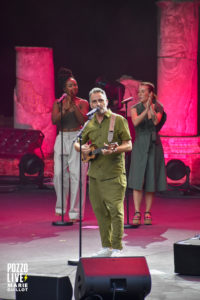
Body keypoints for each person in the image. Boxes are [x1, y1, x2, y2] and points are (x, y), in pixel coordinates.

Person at [74, 87, 132, 257]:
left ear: (106, 102)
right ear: (90, 104)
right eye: (94, 101)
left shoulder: (118, 120)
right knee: (100, 211)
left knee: (116, 210)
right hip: (95, 175)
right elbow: (77, 143)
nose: (98, 104)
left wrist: (114, 150)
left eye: (101, 100)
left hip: (114, 174)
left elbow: (128, 145)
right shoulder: (89, 123)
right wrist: (82, 148)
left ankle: (117, 248)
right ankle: (106, 247)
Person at [52, 68, 89, 221]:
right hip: (61, 137)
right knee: (59, 174)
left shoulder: (82, 102)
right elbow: (54, 121)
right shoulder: (58, 103)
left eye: (75, 85)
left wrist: (72, 106)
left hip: (77, 137)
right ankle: (60, 207)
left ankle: (75, 212)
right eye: (70, 86)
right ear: (64, 89)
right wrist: (64, 109)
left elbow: (83, 121)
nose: (74, 88)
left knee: (77, 175)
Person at [128, 82, 167, 225]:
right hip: (140, 144)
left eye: (143, 91)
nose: (139, 94)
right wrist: (145, 110)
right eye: (139, 91)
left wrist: (150, 106)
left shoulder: (158, 107)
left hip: (153, 144)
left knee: (151, 179)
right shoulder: (134, 108)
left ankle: (147, 212)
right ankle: (137, 211)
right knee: (138, 179)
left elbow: (155, 121)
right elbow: (136, 122)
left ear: (150, 93)